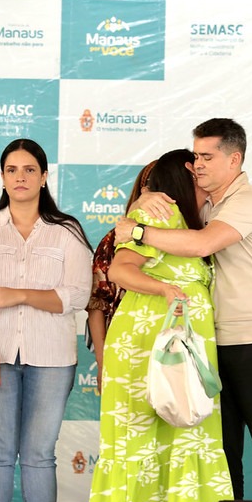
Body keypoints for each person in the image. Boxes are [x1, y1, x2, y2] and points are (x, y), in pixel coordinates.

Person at [115, 119, 252, 501]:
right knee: (224, 460)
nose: (198, 164)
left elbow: (202, 244)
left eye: (207, 156)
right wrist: (140, 203)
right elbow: (177, 222)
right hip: (214, 348)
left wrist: (137, 231)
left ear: (234, 159)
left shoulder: (249, 201)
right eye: (195, 156)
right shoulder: (205, 208)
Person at [89, 148, 231, 502]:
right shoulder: (156, 214)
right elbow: (120, 270)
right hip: (145, 345)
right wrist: (163, 288)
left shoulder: (200, 220)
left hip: (186, 347)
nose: (204, 176)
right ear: (184, 176)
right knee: (140, 443)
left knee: (188, 435)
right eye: (197, 171)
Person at [0, 138, 92, 502]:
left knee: (39, 455)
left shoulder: (67, 230)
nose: (20, 177)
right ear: (3, 177)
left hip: (52, 359)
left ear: (44, 176)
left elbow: (77, 296)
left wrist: (18, 294)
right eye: (12, 170)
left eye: (29, 169)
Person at [86, 159, 157, 393]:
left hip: (174, 348)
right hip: (126, 348)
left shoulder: (191, 237)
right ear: (145, 192)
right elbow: (97, 303)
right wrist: (102, 361)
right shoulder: (113, 240)